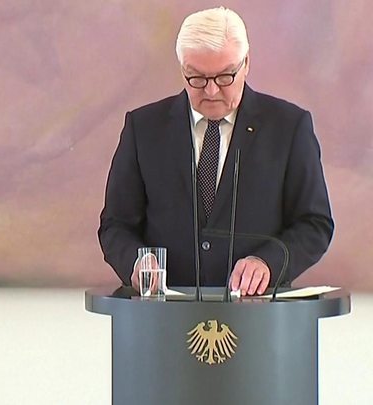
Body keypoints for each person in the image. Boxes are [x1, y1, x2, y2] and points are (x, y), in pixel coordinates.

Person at [98, 7, 333, 296]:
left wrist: (268, 263)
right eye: (196, 78)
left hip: (257, 310)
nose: (211, 91)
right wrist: (136, 262)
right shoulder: (144, 128)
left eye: (225, 77)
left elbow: (315, 224)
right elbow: (116, 225)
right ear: (182, 69)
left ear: (246, 63)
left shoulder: (289, 127)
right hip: (164, 310)